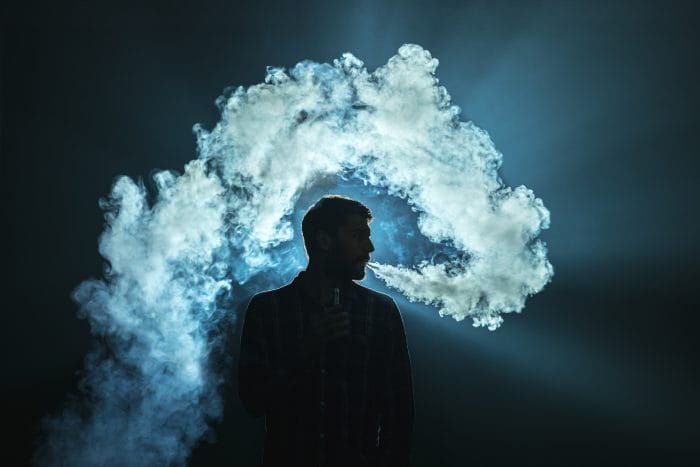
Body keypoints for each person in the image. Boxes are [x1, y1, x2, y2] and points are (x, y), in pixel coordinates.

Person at [237, 194, 415, 467]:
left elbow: (399, 412)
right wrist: (305, 348)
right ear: (324, 241)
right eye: (357, 236)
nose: (369, 247)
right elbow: (253, 401)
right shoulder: (268, 310)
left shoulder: (381, 312)